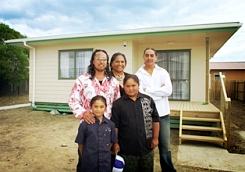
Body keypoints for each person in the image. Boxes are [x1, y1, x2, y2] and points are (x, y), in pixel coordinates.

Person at [135, 48, 176, 172]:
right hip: (146, 115)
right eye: (147, 55)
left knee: (164, 146)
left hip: (163, 115)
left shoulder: (163, 72)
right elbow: (139, 93)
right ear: (144, 57)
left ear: (156, 57)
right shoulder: (138, 74)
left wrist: (149, 91)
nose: (149, 57)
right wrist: (159, 91)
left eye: (152, 55)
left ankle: (168, 170)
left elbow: (168, 91)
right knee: (147, 145)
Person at [111, 74, 160, 172]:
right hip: (126, 151)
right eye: (128, 86)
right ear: (123, 87)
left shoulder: (148, 100)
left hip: (146, 148)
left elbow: (155, 120)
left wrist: (155, 138)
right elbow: (115, 126)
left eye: (133, 85)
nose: (131, 88)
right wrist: (115, 143)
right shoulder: (118, 104)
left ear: (138, 85)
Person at [68, 49, 120, 123]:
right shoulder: (82, 80)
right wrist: (83, 113)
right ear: (93, 61)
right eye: (98, 59)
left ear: (107, 62)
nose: (101, 62)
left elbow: (117, 104)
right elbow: (72, 100)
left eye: (104, 59)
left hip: (107, 124)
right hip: (88, 124)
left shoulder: (114, 82)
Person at [75, 95, 117, 172]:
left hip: (105, 163)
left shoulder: (111, 125)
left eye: (101, 107)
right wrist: (85, 157)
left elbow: (111, 143)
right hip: (89, 163)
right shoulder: (84, 125)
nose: (98, 109)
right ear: (91, 107)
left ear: (105, 108)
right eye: (96, 106)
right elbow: (80, 145)